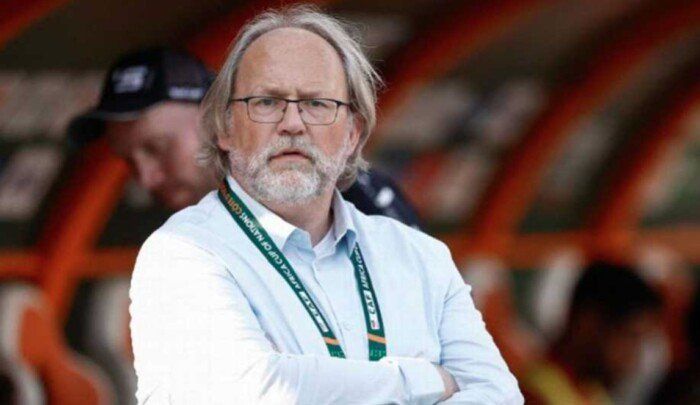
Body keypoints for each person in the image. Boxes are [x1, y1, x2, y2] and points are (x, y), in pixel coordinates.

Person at [129, 5, 522, 404]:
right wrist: (423, 381)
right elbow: (255, 389)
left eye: (317, 104)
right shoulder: (182, 253)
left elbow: (500, 396)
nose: (292, 123)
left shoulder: (421, 257)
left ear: (353, 133)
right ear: (224, 127)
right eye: (266, 102)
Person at [68, 48, 421, 228]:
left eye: (156, 148)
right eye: (129, 160)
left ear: (219, 119)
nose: (146, 179)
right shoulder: (191, 236)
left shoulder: (340, 197)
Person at [523, 262, 662, 404]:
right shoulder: (533, 396)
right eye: (630, 338)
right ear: (588, 322)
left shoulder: (595, 395)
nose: (633, 358)